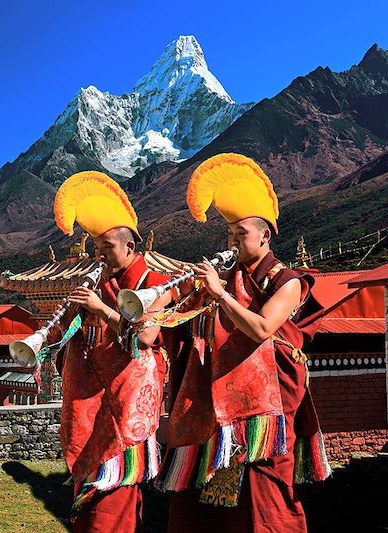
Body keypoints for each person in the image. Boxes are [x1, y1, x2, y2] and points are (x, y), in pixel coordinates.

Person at [158, 153, 330, 532]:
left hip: (266, 409)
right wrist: (187, 293)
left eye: (241, 235)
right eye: (229, 235)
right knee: (205, 503)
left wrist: (220, 294)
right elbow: (172, 326)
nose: (233, 243)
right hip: (216, 400)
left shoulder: (288, 281)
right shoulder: (225, 277)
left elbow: (262, 328)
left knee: (264, 495)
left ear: (265, 235)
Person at [52, 171, 173, 532]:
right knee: (93, 494)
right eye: (97, 249)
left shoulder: (156, 283)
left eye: (107, 248)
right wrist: (68, 323)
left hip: (130, 400)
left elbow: (148, 336)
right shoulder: (101, 283)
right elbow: (79, 340)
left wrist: (103, 310)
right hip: (96, 401)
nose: (100, 256)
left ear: (130, 248)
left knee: (116, 495)